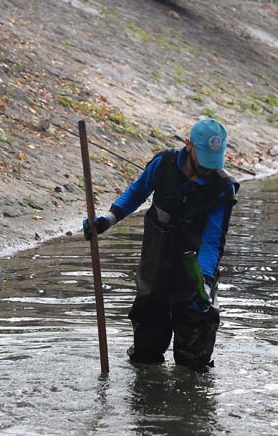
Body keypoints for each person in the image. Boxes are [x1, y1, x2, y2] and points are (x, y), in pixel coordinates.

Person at [84, 118, 239, 370]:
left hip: (194, 274)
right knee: (146, 355)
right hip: (155, 268)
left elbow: (212, 242)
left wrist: (205, 285)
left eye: (214, 161)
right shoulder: (163, 164)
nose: (208, 168)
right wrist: (107, 220)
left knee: (193, 364)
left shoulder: (222, 188)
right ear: (188, 145)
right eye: (204, 160)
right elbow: (137, 192)